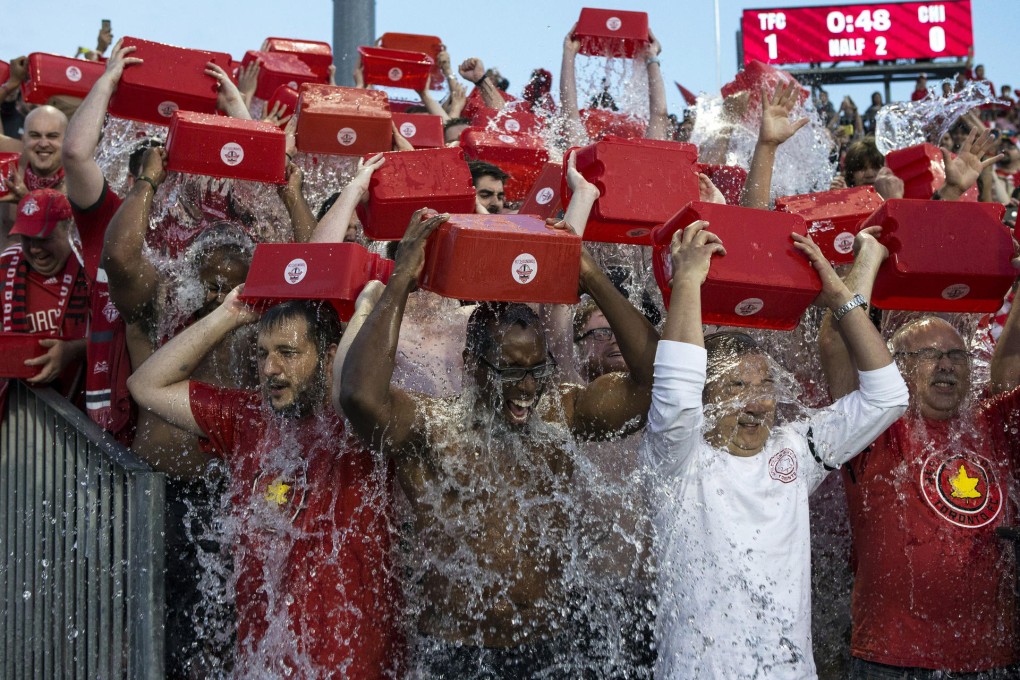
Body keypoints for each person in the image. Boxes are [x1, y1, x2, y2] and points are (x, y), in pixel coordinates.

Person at [339, 164, 659, 675]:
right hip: (459, 653)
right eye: (510, 372)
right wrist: (401, 280)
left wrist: (590, 274)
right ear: (470, 365)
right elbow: (358, 396)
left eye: (537, 371)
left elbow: (652, 385)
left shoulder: (563, 413)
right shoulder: (432, 427)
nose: (528, 389)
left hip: (552, 645)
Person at [644, 220, 908, 679]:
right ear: (706, 398)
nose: (759, 401)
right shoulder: (676, 458)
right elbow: (676, 392)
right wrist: (687, 281)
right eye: (736, 386)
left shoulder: (796, 450)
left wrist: (839, 299)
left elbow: (888, 398)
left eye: (766, 383)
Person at [127, 291, 401, 678]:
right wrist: (228, 314)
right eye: (261, 354)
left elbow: (352, 391)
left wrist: (366, 310)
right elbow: (146, 386)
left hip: (352, 663)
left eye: (287, 353)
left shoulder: (357, 429)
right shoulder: (246, 418)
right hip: (263, 663)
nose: (270, 367)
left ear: (328, 359)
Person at [818, 224, 1020, 673]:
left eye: (957, 356)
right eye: (929, 355)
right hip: (893, 660)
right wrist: (867, 259)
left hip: (991, 660)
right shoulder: (878, 429)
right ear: (894, 369)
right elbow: (835, 342)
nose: (946, 364)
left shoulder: (990, 424)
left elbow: (1011, 371)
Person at [0, 104, 69, 200]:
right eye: (35, 135)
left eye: (52, 136)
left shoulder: (79, 183)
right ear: (23, 139)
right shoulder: (9, 170)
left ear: (67, 140)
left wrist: (27, 199)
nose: (43, 144)